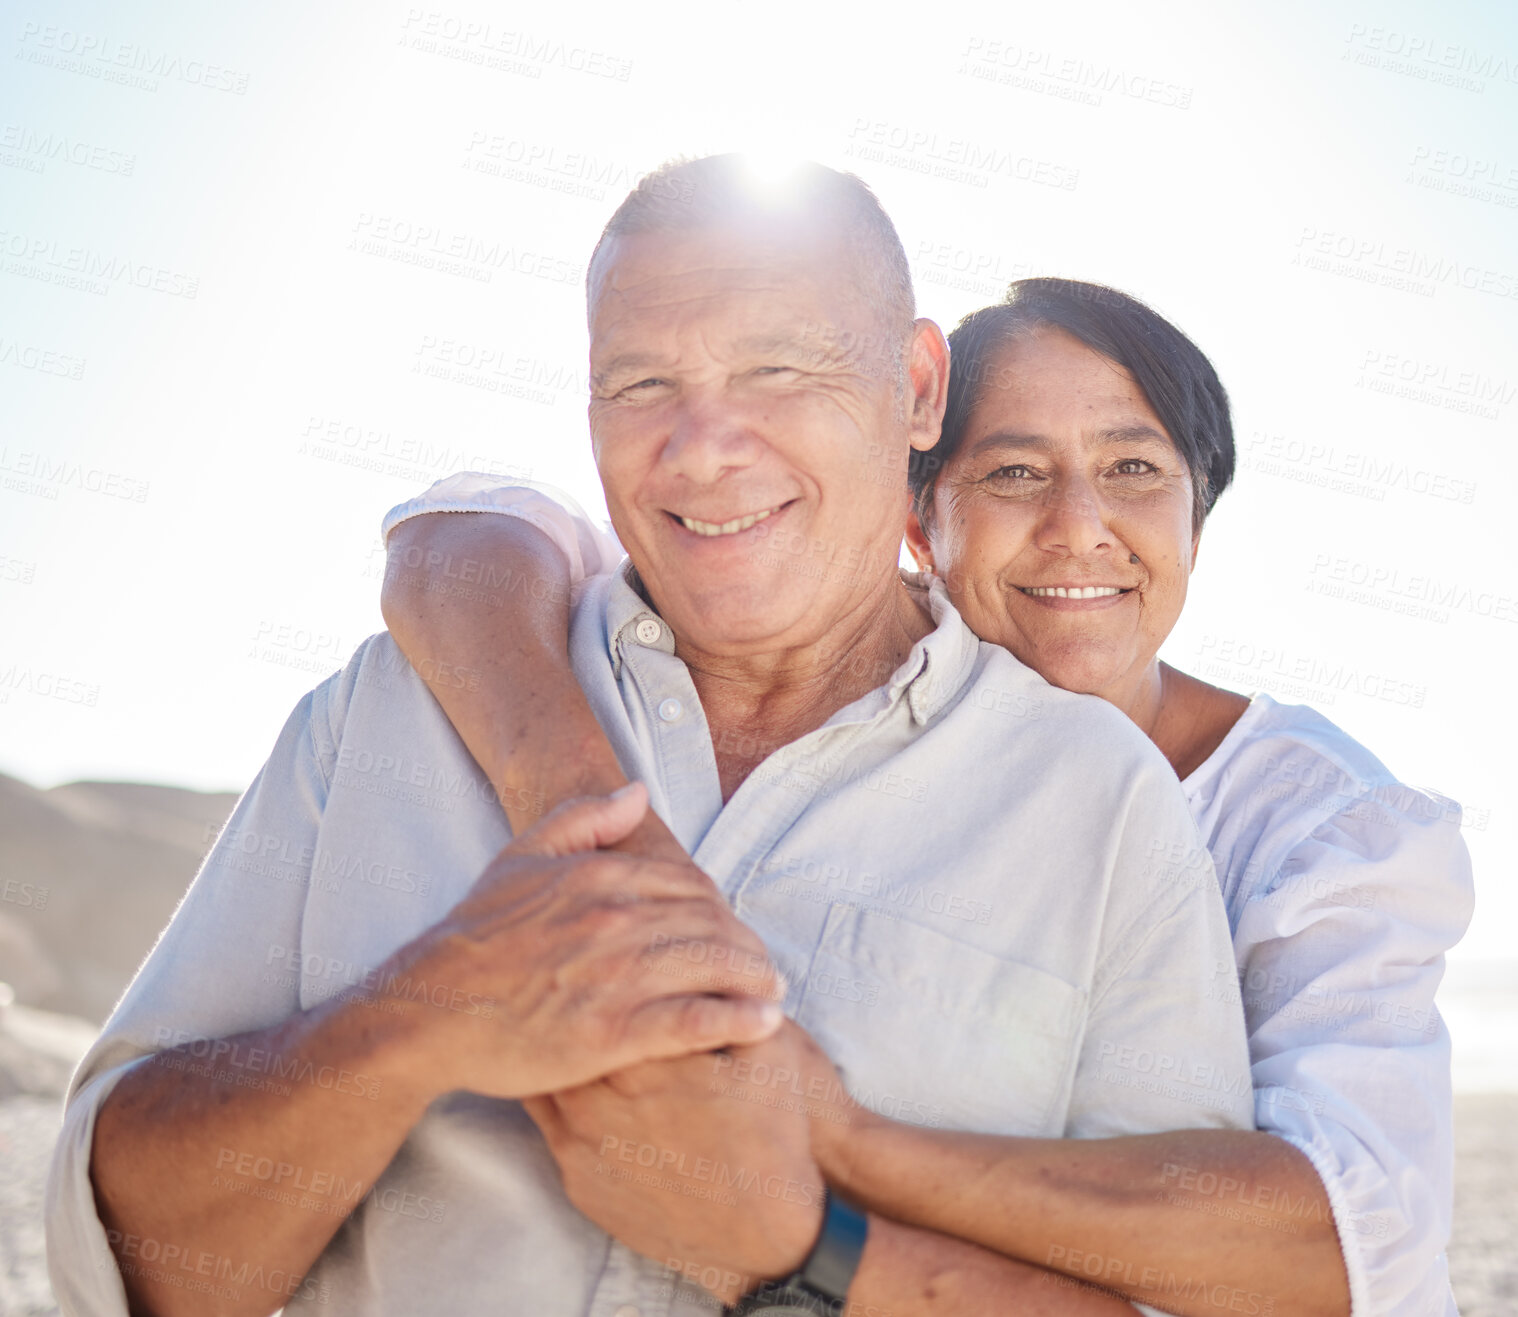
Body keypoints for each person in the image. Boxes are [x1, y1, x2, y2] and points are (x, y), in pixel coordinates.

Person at [47, 157, 1252, 1317]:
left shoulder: (1100, 810)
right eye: (639, 387)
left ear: (920, 387)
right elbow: (144, 1267)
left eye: (779, 370)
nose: (704, 448)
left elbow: (1178, 1295)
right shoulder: (394, 710)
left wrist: (796, 1262)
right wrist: (422, 1017)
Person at [378, 278, 1473, 1317]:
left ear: (1199, 524)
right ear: (916, 521)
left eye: (1135, 470)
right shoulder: (810, 674)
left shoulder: (1319, 831)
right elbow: (466, 532)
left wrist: (835, 1146)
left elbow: (1344, 1243)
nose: (1079, 525)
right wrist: (594, 819)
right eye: (1011, 474)